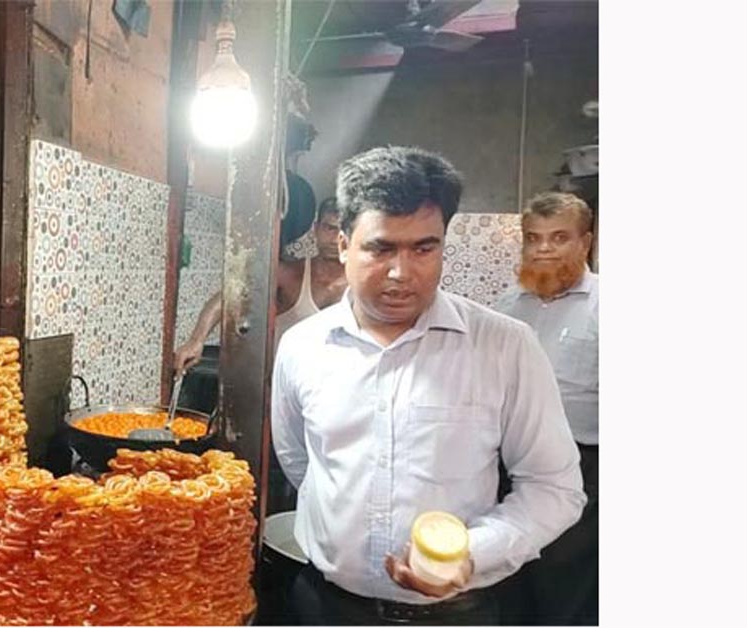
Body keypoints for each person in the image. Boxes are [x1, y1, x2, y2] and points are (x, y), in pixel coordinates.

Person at [270, 146, 585, 625]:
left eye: (423, 248)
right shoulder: (302, 346)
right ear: (344, 245)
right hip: (326, 608)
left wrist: (472, 553)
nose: (402, 273)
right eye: (380, 248)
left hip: (456, 615)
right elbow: (302, 462)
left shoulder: (505, 346)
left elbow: (554, 487)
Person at [495, 191, 598, 625]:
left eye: (559, 237)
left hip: (584, 466)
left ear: (585, 242)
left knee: (564, 588)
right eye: (533, 238)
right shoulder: (508, 306)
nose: (543, 249)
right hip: (510, 464)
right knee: (510, 579)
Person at [175, 198, 347, 372]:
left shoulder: (360, 288)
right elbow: (230, 296)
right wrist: (195, 341)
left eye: (344, 230)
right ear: (316, 229)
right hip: (281, 383)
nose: (335, 239)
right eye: (329, 228)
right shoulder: (290, 275)